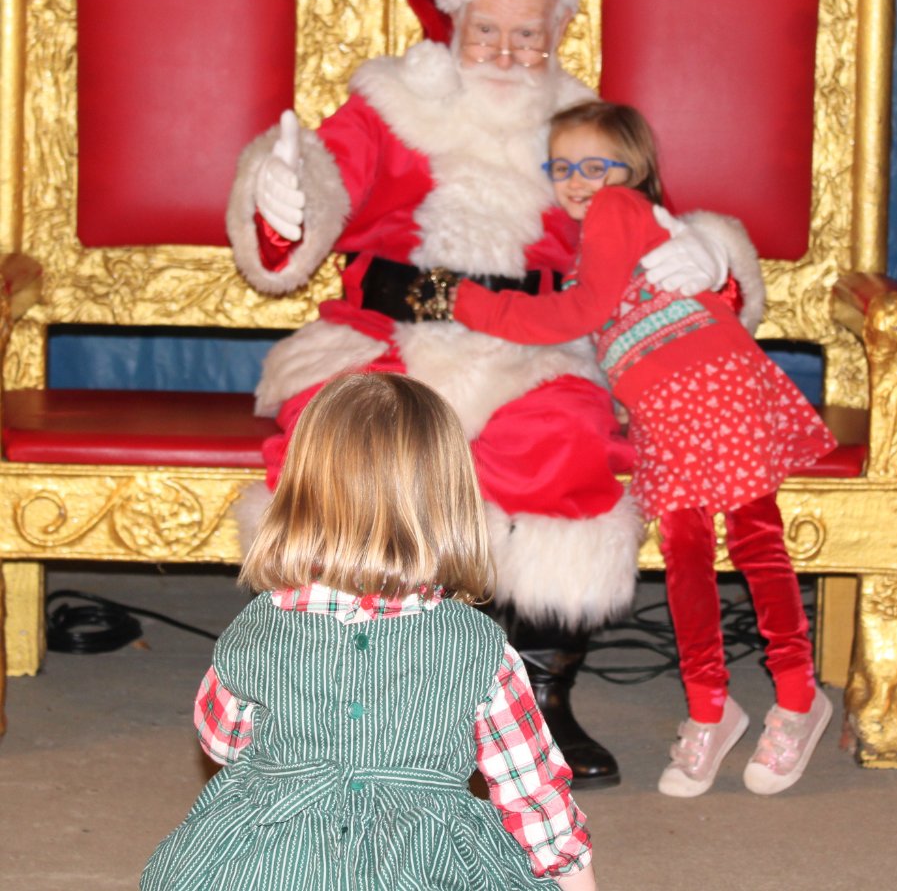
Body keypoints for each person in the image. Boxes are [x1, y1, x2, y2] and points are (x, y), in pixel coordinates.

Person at [226, 0, 754, 788]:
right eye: (489, 31)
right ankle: (333, 695)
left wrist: (701, 254)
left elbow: (652, 230)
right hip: (388, 332)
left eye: (529, 35)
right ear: (453, 25)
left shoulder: (582, 129)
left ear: (557, 37)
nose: (508, 53)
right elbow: (319, 178)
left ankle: (538, 702)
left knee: (568, 441)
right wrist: (284, 194)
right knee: (344, 444)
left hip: (537, 347)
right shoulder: (391, 106)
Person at [451, 101, 838, 798]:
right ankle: (710, 711)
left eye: (595, 166)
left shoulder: (618, 211)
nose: (577, 180)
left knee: (755, 543)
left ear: (635, 172)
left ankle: (800, 698)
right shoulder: (603, 235)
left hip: (713, 387)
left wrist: (472, 304)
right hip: (664, 410)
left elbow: (583, 313)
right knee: (687, 559)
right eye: (563, 166)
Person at [141, 372, 597, 891]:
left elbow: (222, 740)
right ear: (450, 504)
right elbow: (533, 792)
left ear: (301, 494)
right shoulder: (478, 648)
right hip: (424, 863)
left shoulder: (260, 626)